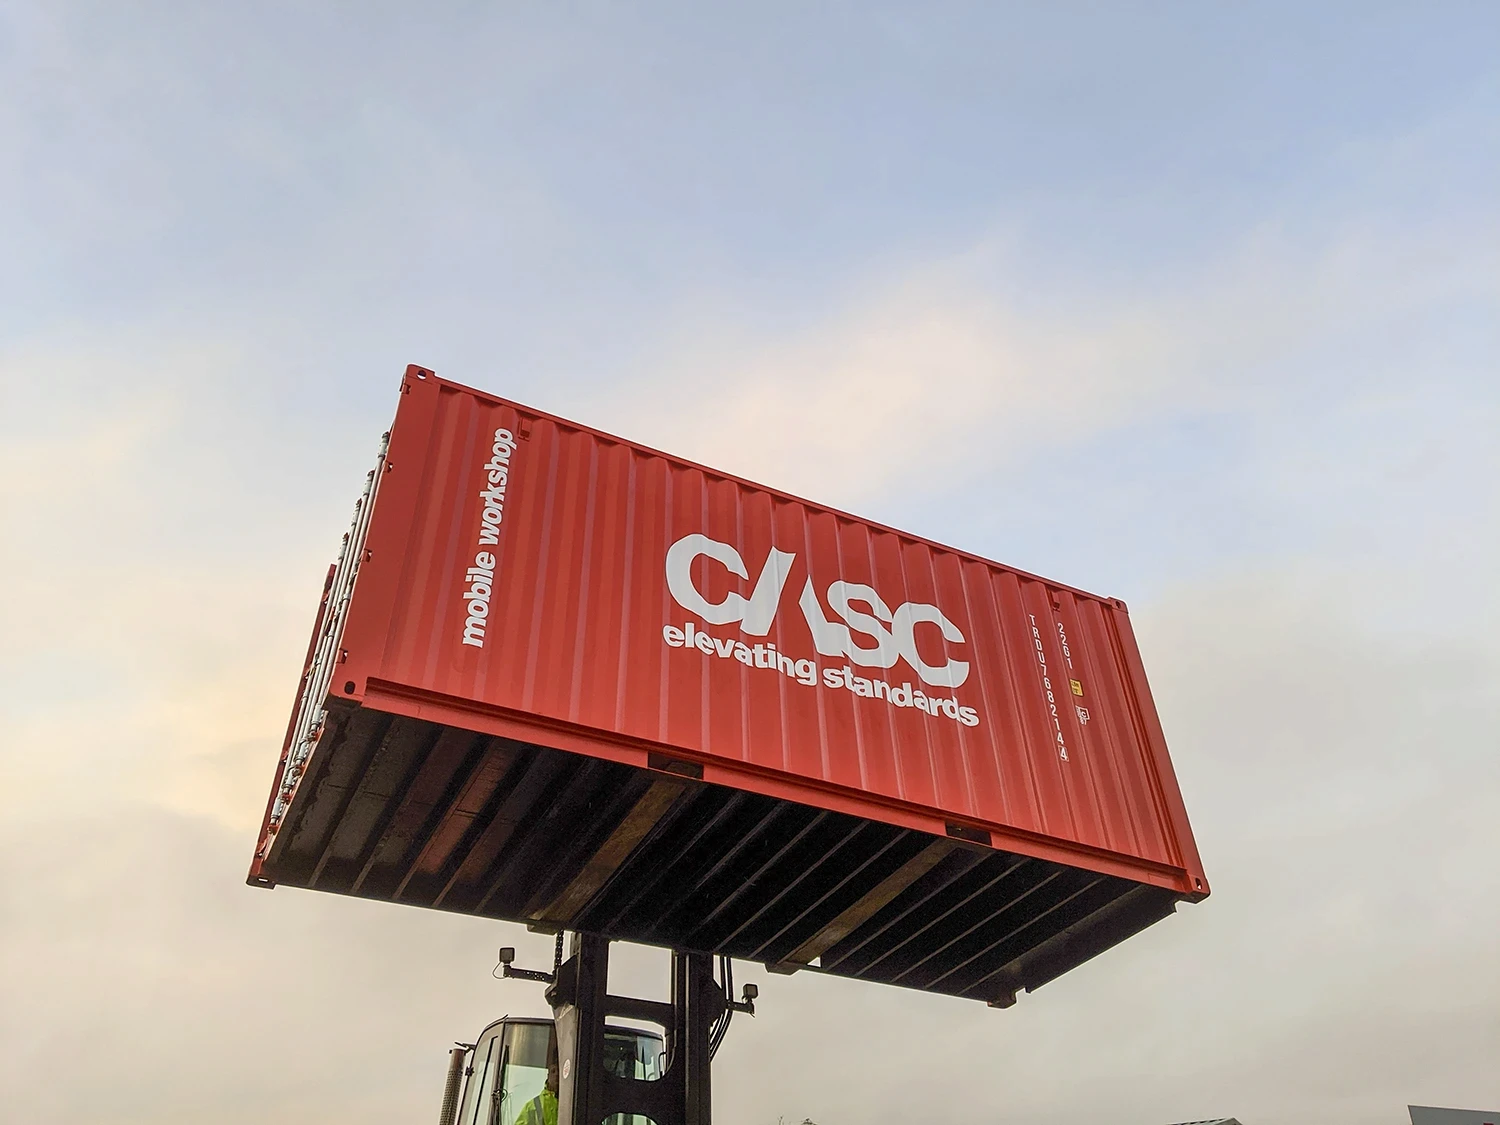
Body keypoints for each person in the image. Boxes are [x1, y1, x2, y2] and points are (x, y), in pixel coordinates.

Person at [512, 1050, 558, 1125]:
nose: (556, 1074)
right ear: (548, 1075)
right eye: (553, 1071)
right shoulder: (532, 1106)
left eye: (559, 1071)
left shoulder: (575, 1101)